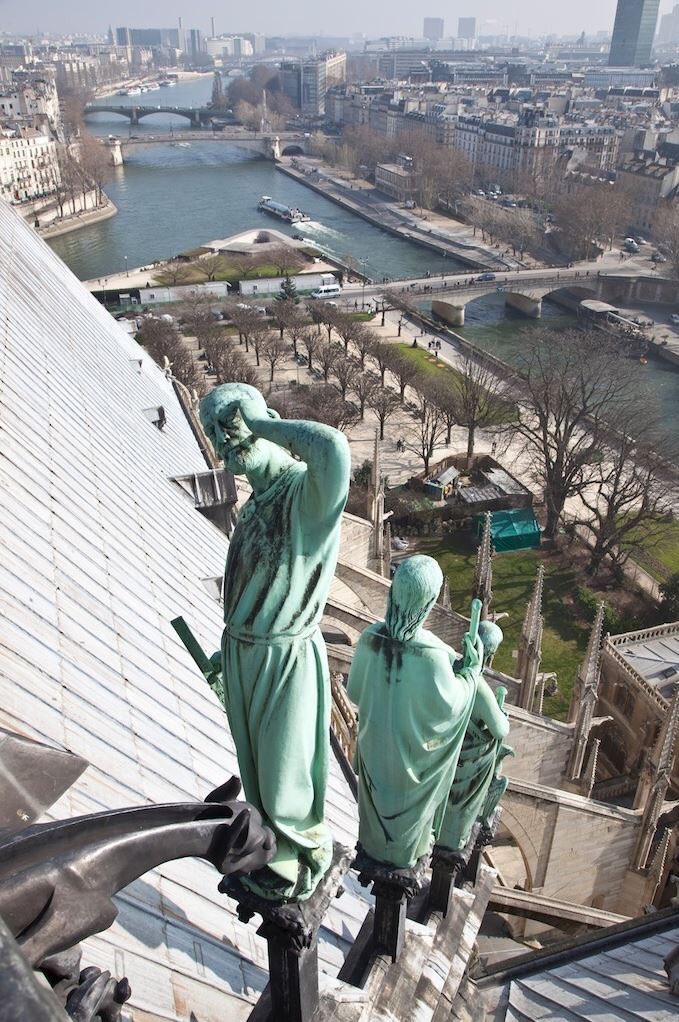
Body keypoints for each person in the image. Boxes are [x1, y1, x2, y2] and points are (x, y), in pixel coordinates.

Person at [199, 384, 351, 901]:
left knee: (286, 780)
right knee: (259, 773)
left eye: (232, 420)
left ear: (266, 417)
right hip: (246, 657)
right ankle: (272, 851)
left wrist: (259, 426)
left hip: (284, 659)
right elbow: (250, 584)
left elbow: (333, 448)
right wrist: (229, 650)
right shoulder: (255, 505)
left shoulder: (305, 494)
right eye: (216, 433)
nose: (226, 438)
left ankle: (296, 860)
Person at [347, 558, 486, 868]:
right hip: (412, 771)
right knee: (406, 843)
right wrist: (471, 673)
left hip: (375, 756)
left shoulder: (369, 638)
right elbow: (452, 706)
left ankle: (376, 846)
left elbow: (354, 693)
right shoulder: (433, 656)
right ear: (430, 602)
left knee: (375, 832)